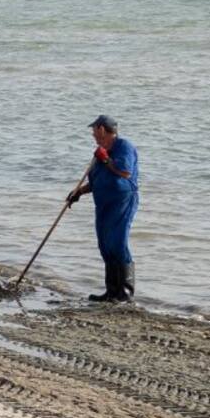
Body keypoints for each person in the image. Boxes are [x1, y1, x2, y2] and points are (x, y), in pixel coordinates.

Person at [67, 114, 139, 302]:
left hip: (122, 201)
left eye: (94, 131)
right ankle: (111, 291)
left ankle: (125, 293)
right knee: (105, 245)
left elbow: (124, 172)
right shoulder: (99, 153)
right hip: (103, 203)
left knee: (117, 242)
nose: (93, 135)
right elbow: (97, 181)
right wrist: (78, 193)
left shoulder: (124, 147)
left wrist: (106, 159)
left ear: (102, 129)